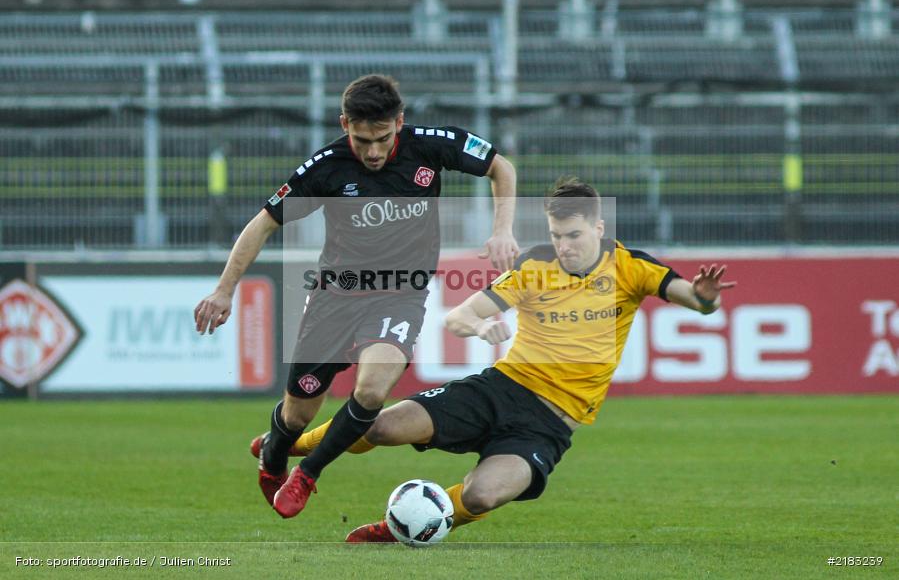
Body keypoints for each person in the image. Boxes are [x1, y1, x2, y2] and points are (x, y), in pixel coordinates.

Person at [259, 177, 736, 541]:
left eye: (573, 235)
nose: (564, 246)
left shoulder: (631, 266)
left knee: (481, 495)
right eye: (556, 234)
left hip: (549, 424)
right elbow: (459, 317)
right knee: (380, 426)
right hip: (499, 389)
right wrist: (483, 325)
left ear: (599, 226)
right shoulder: (535, 265)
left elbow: (692, 299)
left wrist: (705, 297)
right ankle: (291, 443)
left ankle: (402, 527)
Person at [195, 74, 519, 519]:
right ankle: (274, 452)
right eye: (361, 138)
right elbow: (264, 222)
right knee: (296, 416)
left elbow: (502, 167)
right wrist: (224, 289)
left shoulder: (431, 145)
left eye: (383, 138)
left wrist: (502, 230)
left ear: (399, 123)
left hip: (400, 295)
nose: (372, 151)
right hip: (335, 296)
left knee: (371, 390)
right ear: (344, 122)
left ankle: (307, 473)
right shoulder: (326, 165)